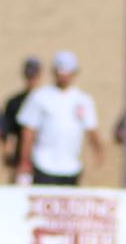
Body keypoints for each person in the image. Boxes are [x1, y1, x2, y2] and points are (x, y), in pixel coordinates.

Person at [15, 48, 100, 186]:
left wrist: (98, 150)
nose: (64, 76)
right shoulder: (39, 96)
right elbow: (28, 131)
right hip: (44, 164)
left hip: (71, 167)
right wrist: (24, 160)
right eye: (61, 71)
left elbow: (91, 128)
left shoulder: (83, 99)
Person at [0, 55, 38, 174]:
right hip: (21, 158)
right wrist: (7, 152)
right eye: (29, 75)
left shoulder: (49, 100)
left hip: (46, 158)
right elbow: (6, 132)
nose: (31, 80)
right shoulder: (14, 102)